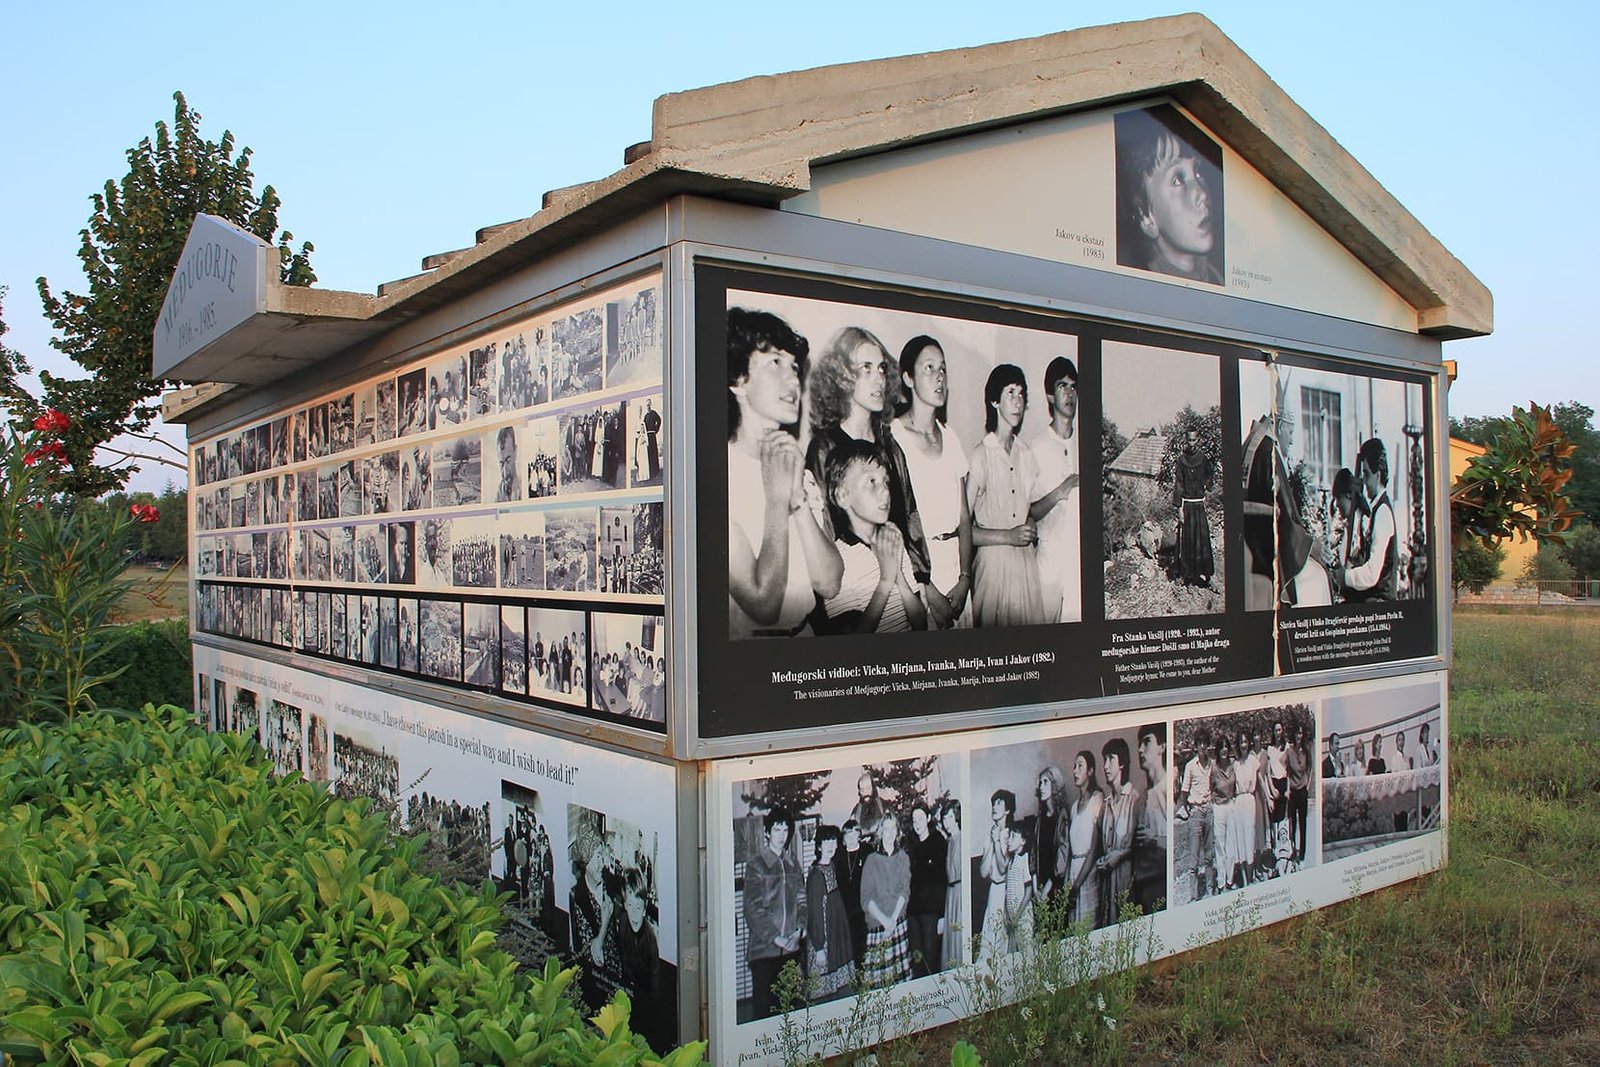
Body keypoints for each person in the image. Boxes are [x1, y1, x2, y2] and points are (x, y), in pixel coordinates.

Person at [725, 309, 843, 638]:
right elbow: (763, 603)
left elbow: (830, 583)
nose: (793, 380)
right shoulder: (717, 475)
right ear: (738, 380)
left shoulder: (795, 465)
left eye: (794, 367)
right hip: (752, 663)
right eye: (775, 363)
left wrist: (798, 499)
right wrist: (777, 501)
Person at [803, 326, 931, 617]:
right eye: (866, 369)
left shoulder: (889, 444)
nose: (879, 380)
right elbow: (823, 533)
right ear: (843, 377)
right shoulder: (824, 447)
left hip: (903, 587)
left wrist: (924, 582)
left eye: (882, 369)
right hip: (852, 598)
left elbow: (909, 516)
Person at [890, 336, 973, 628]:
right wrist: (926, 588)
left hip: (957, 572)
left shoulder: (950, 437)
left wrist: (965, 579)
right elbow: (895, 524)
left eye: (943, 369)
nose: (939, 377)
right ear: (908, 378)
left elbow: (964, 517)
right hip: (919, 576)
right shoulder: (894, 437)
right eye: (929, 368)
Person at [968, 364, 1048, 626]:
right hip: (992, 569)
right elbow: (964, 531)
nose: (1018, 402)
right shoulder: (981, 455)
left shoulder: (1027, 455)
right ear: (994, 401)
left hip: (1024, 568)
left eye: (1022, 394)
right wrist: (1008, 536)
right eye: (1010, 393)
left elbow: (1029, 513)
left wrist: (1030, 527)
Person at [820, 440, 929, 632]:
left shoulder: (891, 540)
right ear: (842, 496)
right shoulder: (838, 560)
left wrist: (898, 576)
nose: (885, 490)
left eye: (885, 481)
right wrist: (886, 580)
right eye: (871, 481)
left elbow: (920, 622)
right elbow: (852, 644)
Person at [1114, 104, 1223, 284]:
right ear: (1146, 218)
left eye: (1198, 173)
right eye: (1177, 180)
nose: (1202, 194)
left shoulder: (1218, 279)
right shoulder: (1134, 287)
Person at [1029, 356, 1082, 623]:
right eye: (1062, 386)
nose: (1070, 393)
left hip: (1078, 562)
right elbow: (1029, 512)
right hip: (1048, 562)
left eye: (1074, 387)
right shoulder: (1036, 448)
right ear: (1050, 396)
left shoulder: (1085, 445)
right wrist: (1061, 490)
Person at [743, 808, 803, 1020]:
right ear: (767, 832)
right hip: (764, 952)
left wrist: (798, 933)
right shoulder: (756, 864)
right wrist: (776, 938)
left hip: (792, 950)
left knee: (792, 1011)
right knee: (766, 1014)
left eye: (786, 830)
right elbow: (752, 909)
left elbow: (802, 901)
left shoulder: (793, 862)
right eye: (777, 829)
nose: (782, 835)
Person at [1341, 438, 1397, 601]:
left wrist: (1344, 577)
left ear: (1378, 475)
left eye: (1366, 474)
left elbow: (1372, 574)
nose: (1363, 481)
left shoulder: (1383, 512)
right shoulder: (1377, 509)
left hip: (1380, 602)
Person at [805, 826, 857, 1002]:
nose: (830, 845)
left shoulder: (833, 866)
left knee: (842, 993)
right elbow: (815, 914)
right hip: (824, 939)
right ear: (819, 846)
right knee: (824, 998)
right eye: (826, 841)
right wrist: (819, 948)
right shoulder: (816, 875)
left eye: (833, 841)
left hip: (837, 934)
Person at [859, 813, 911, 988]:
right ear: (880, 832)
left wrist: (893, 920)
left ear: (897, 832)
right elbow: (866, 898)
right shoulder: (871, 860)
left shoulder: (903, 857)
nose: (889, 832)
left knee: (901, 984)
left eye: (893, 828)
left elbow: (905, 890)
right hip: (878, 926)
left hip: (897, 924)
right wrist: (885, 922)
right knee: (878, 986)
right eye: (885, 828)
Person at [1096, 738, 1138, 926]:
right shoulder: (1105, 805)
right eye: (1104, 760)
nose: (1105, 766)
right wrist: (1102, 860)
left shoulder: (1135, 799)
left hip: (1127, 880)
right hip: (1106, 884)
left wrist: (1119, 856)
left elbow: (1140, 845)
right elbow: (1101, 844)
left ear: (1121, 763)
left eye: (1110, 759)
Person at [1131, 723, 1169, 914]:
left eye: (1147, 742)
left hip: (1162, 884)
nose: (1140, 749)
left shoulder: (1169, 787)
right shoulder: (1142, 798)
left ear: (1162, 747)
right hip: (1142, 889)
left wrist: (1153, 839)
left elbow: (1179, 845)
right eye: (1139, 744)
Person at [906, 804, 947, 978]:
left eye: (920, 818)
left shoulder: (938, 842)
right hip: (913, 913)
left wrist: (941, 916)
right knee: (917, 960)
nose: (917, 823)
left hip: (931, 914)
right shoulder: (911, 844)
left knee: (931, 961)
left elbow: (942, 880)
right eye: (914, 820)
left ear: (928, 818)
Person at [1063, 750, 1104, 925]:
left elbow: (1094, 849)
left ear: (1091, 771)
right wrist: (1068, 884)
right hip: (1073, 873)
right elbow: (1071, 849)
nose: (1075, 771)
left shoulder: (1098, 799)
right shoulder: (1073, 808)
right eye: (1074, 766)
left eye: (1080, 765)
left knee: (1088, 924)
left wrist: (1077, 884)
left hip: (1089, 874)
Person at [1172, 428, 1215, 588]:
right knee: (1188, 541)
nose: (1191, 443)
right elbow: (1178, 484)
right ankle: (1189, 577)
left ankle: (1207, 576)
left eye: (1194, 440)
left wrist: (1207, 484)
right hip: (1188, 505)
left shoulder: (1203, 459)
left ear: (1198, 440)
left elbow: (1210, 474)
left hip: (1199, 504)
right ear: (1185, 440)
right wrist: (1179, 509)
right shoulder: (1181, 460)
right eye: (1188, 440)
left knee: (1202, 540)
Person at [978, 790, 1016, 961]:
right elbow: (983, 872)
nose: (994, 807)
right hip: (993, 892)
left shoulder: (1010, 834)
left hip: (1007, 892)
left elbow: (1003, 868)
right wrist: (992, 842)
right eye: (993, 803)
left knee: (1004, 941)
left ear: (1008, 809)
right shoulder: (990, 834)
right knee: (989, 940)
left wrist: (997, 841)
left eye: (999, 803)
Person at [1179, 730, 1215, 900]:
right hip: (1195, 812)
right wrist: (1189, 810)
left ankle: (1210, 889)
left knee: (1209, 855)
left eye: (1205, 743)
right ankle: (1193, 895)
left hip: (1208, 811)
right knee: (1194, 858)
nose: (1202, 746)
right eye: (1199, 743)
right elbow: (1184, 792)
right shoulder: (1190, 766)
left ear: (1208, 745)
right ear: (1195, 746)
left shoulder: (1211, 764)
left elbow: (1214, 786)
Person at [835, 819, 869, 971]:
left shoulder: (867, 851)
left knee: (864, 948)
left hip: (864, 908)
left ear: (859, 835)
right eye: (847, 834)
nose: (850, 837)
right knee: (849, 948)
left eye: (854, 833)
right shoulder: (838, 855)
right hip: (845, 909)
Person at [1033, 766, 1068, 902]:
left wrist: (1047, 889)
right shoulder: (1040, 819)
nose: (1041, 786)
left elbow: (1063, 854)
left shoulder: (1062, 816)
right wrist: (1036, 889)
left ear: (1055, 784)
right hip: (1039, 887)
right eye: (1040, 783)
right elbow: (1034, 854)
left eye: (1046, 782)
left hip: (1054, 886)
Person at [938, 800, 963, 970]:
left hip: (960, 892)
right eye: (944, 818)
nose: (947, 821)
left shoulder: (962, 838)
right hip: (950, 893)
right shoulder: (949, 841)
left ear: (957, 817)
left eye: (950, 817)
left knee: (958, 938)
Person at [1287, 725, 1312, 864]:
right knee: (1293, 824)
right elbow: (1285, 770)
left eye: (1301, 733)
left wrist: (1307, 786)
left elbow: (1310, 769)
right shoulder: (1289, 751)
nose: (1299, 736)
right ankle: (1293, 850)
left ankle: (1302, 855)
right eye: (1297, 733)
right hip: (1292, 792)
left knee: (1303, 824)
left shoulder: (1306, 751)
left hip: (1302, 791)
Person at [495, 426, 521, 502]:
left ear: (515, 452)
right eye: (501, 464)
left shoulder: (523, 487)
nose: (505, 471)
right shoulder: (500, 491)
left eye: (508, 460)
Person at [641, 399, 662, 482]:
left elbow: (659, 420)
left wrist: (656, 430)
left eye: (649, 404)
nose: (648, 406)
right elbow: (643, 426)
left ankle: (656, 472)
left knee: (654, 453)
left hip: (652, 435)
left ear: (651, 404)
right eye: (647, 405)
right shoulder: (645, 416)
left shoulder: (654, 413)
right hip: (647, 436)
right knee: (649, 453)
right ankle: (650, 472)